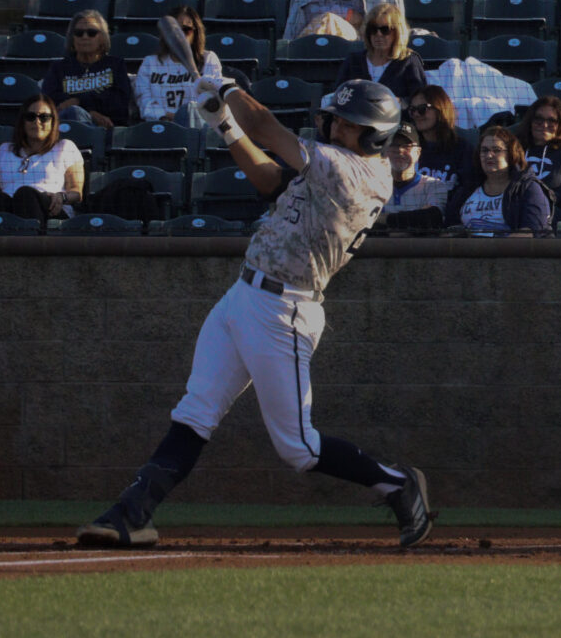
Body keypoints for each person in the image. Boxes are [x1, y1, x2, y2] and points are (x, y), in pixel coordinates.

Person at [77, 78, 434, 549]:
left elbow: (264, 125)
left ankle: (399, 485)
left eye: (351, 125)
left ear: (376, 136)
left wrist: (225, 86)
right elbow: (268, 178)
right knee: (196, 411)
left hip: (284, 310)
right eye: (339, 120)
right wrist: (224, 123)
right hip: (245, 295)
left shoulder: (355, 172)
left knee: (299, 447)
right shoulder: (333, 163)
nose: (338, 127)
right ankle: (130, 514)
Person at [0, 95, 86, 220]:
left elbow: (77, 192)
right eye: (30, 117)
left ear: (53, 121)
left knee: (25, 194)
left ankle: (31, 238)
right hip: (9, 210)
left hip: (50, 210)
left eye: (44, 117)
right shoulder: (4, 150)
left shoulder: (65, 147)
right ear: (22, 122)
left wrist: (61, 197)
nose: (37, 122)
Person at [447, 125, 552, 235]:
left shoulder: (528, 188)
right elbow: (447, 231)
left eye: (496, 150)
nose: (489, 155)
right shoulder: (467, 189)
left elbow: (532, 233)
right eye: (484, 150)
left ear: (511, 154)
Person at [42, 9, 135, 128]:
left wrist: (78, 101)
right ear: (72, 38)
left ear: (102, 37)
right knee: (73, 112)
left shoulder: (116, 65)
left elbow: (119, 104)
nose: (85, 37)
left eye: (91, 32)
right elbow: (49, 102)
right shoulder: (58, 68)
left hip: (106, 129)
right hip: (65, 127)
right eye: (79, 33)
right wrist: (90, 112)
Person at [135, 5, 223, 126]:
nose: (179, 35)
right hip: (160, 125)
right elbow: (144, 103)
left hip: (196, 127)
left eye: (186, 30)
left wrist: (187, 117)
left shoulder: (208, 59)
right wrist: (172, 117)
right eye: (175, 31)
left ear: (195, 33)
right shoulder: (150, 63)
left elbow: (213, 100)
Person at [514, 96, 561, 223]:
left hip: (553, 216)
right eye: (538, 119)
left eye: (552, 121)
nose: (544, 125)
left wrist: (553, 197)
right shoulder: (515, 149)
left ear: (560, 124)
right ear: (530, 121)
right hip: (516, 210)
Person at [335, 2, 428, 102]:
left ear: (397, 32)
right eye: (373, 29)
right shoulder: (353, 60)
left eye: (385, 29)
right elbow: (338, 95)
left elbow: (420, 101)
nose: (378, 34)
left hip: (396, 117)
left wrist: (397, 102)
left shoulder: (409, 61)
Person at [405, 86, 475, 194]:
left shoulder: (462, 149)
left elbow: (468, 189)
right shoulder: (408, 148)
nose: (416, 114)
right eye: (412, 110)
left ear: (440, 109)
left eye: (422, 109)